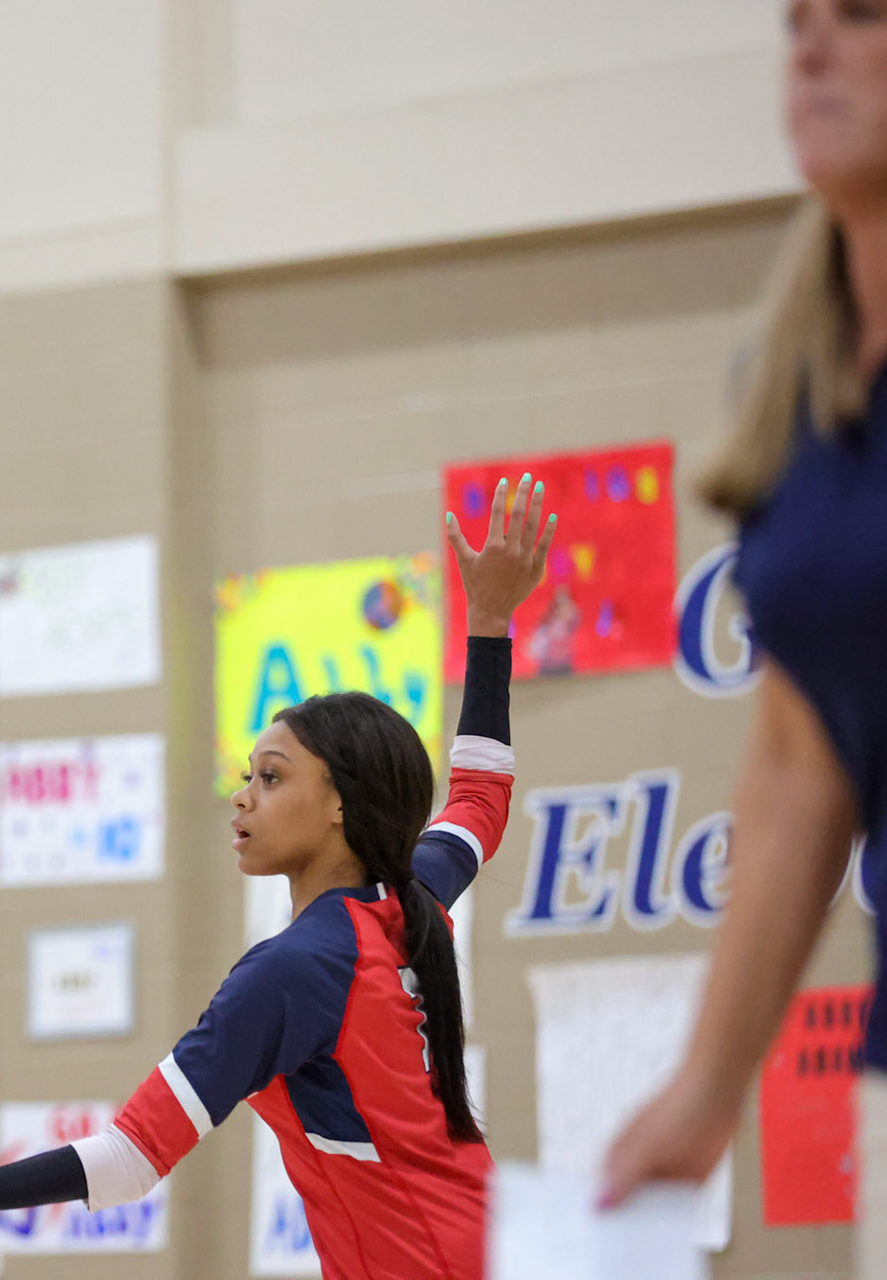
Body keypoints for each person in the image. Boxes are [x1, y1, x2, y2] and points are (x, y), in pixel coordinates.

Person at [0, 476, 557, 1280]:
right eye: (247, 773)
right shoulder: (406, 902)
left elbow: (129, 1159)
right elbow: (480, 797)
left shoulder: (295, 971)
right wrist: (489, 624)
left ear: (340, 807)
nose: (242, 795)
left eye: (273, 778)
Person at [600, 0, 887, 1265]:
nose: (813, 52)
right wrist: (710, 1083)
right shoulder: (792, 372)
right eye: (797, 24)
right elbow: (795, 753)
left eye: (863, 18)